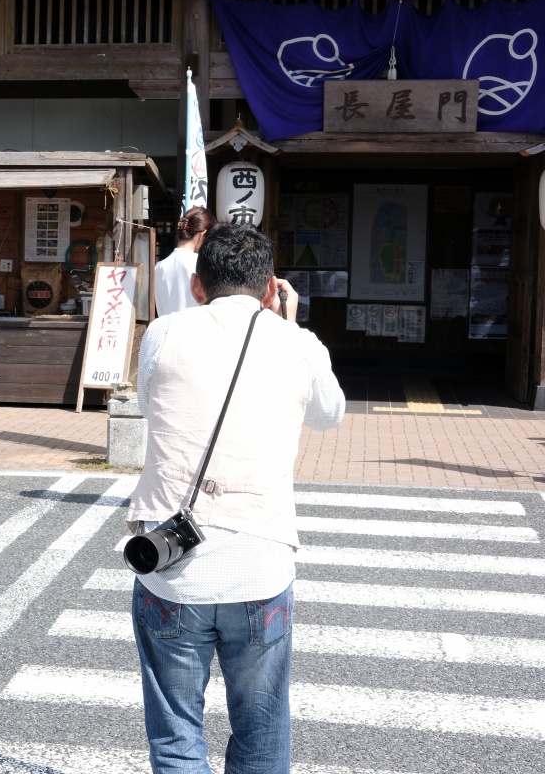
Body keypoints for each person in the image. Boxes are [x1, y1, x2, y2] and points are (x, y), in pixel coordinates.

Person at [126, 222, 345, 773]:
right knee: (262, 729)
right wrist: (290, 328)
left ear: (198, 287)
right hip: (260, 566)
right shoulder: (299, 344)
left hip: (174, 567)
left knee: (176, 733)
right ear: (272, 288)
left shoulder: (163, 332)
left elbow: (153, 405)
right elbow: (329, 414)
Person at [153, 205, 213, 316]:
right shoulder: (201, 264)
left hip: (165, 331)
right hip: (194, 331)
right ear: (203, 234)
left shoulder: (159, 267)